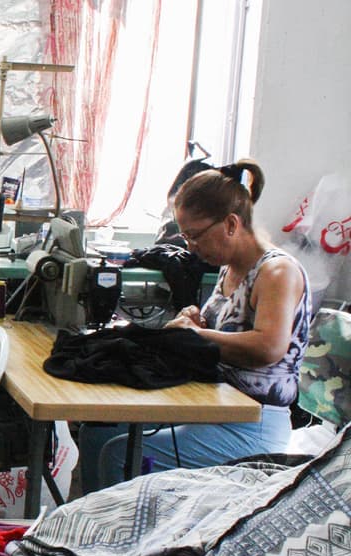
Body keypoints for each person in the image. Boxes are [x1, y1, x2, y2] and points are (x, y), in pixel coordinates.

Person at [79, 159, 310, 491]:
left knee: (119, 454)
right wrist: (193, 318)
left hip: (252, 425)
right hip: (215, 406)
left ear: (231, 224)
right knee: (100, 429)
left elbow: (269, 347)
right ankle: (88, 530)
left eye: (195, 235)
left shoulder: (277, 272)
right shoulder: (230, 268)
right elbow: (220, 331)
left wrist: (196, 334)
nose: (190, 246)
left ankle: (115, 538)